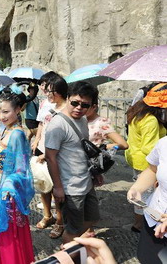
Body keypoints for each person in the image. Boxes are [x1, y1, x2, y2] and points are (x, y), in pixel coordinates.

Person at [0, 86, 35, 264]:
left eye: (6, 112)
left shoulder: (17, 134)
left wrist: (9, 186)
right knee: (0, 234)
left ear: (18, 109)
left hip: (7, 193)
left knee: (9, 236)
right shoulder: (5, 129)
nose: (1, 116)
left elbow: (21, 169)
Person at [45, 81, 101, 244]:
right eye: (75, 103)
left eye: (84, 105)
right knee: (73, 229)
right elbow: (50, 157)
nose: (79, 108)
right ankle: (68, 254)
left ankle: (73, 246)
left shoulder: (82, 119)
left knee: (92, 218)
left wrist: (94, 173)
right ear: (68, 98)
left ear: (91, 106)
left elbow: (81, 149)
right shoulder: (57, 125)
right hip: (71, 186)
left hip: (85, 180)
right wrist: (58, 187)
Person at [125, 83, 167, 233]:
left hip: (136, 158)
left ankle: (140, 223)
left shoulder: (137, 113)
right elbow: (148, 147)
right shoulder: (151, 121)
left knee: (143, 195)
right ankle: (139, 224)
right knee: (146, 194)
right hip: (146, 161)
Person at [33, 73, 67, 239]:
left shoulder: (67, 110)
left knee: (56, 189)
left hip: (56, 155)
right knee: (42, 184)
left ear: (58, 92)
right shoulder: (48, 104)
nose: (46, 94)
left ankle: (60, 221)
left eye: (49, 91)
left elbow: (64, 139)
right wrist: (37, 140)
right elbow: (42, 123)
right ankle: (48, 215)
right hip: (43, 149)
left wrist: (47, 155)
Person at [127, 134, 167, 263]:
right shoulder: (164, 143)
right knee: (147, 258)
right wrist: (137, 188)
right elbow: (152, 169)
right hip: (154, 217)